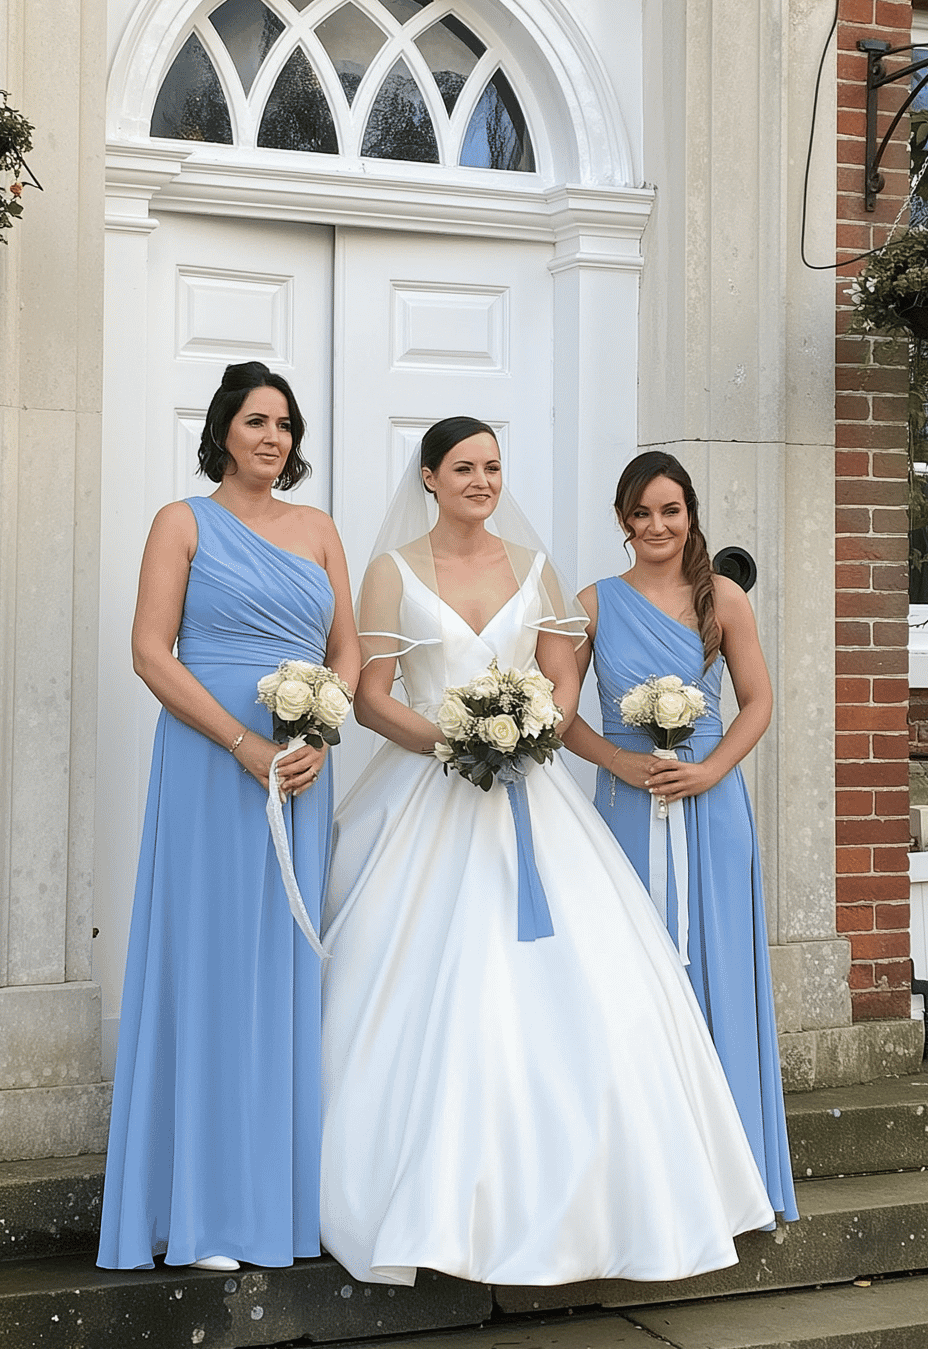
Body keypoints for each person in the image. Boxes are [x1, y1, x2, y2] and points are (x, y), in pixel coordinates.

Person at [318, 416, 772, 1287]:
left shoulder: (535, 568)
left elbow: (563, 682)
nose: (481, 481)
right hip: (429, 787)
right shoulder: (391, 571)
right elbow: (372, 697)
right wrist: (453, 741)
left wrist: (527, 728)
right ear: (429, 477)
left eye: (492, 466)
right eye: (463, 467)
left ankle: (603, 1201)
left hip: (530, 787)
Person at [99, 360, 360, 1273]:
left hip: (301, 768)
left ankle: (274, 1206)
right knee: (210, 964)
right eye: (256, 421)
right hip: (212, 765)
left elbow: (348, 649)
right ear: (222, 431)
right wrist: (243, 745)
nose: (273, 437)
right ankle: (201, 1213)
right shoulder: (182, 522)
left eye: (285, 425)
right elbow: (150, 652)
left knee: (281, 968)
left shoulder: (320, 530)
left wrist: (319, 728)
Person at [564, 453, 797, 1223]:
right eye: (641, 513)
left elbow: (758, 701)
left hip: (711, 804)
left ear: (689, 513)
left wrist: (711, 771)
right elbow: (559, 717)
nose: (656, 526)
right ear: (622, 520)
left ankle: (732, 1178)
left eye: (670, 510)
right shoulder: (593, 604)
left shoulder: (723, 597)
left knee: (717, 963)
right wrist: (619, 762)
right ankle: (646, 1181)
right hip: (627, 806)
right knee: (633, 969)